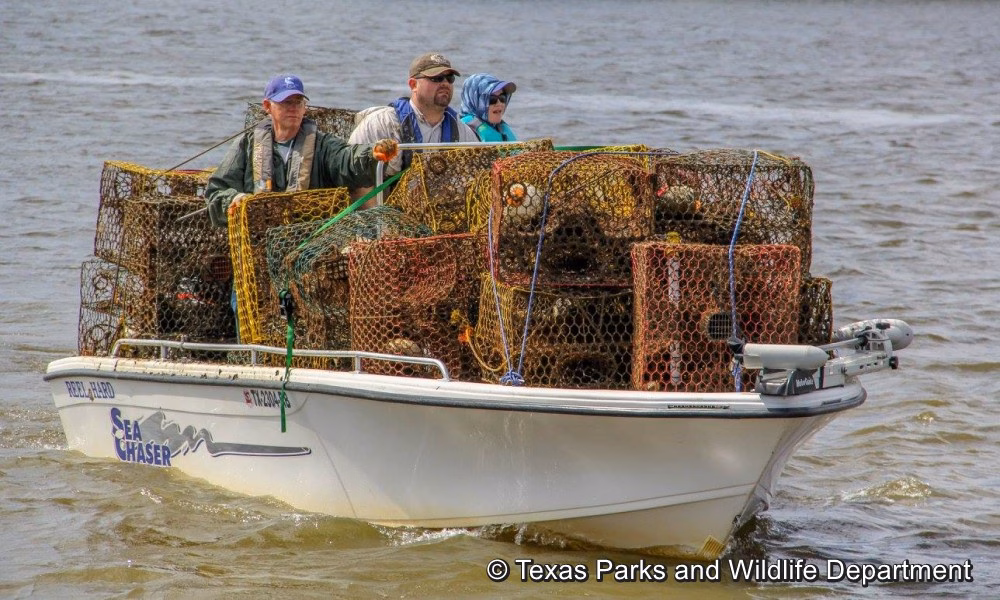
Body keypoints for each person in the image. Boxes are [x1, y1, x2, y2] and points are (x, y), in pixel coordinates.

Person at [205, 74, 398, 226]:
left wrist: (372, 154)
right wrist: (235, 199)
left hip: (308, 237)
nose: (293, 108)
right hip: (257, 238)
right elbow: (216, 190)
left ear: (305, 108)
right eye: (286, 102)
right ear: (267, 106)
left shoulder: (322, 145)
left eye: (298, 102)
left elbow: (346, 159)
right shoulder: (246, 145)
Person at [348, 52, 479, 182]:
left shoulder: (463, 133)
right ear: (413, 85)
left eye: (450, 78)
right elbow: (354, 177)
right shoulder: (382, 124)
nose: (445, 83)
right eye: (436, 78)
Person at [460, 73, 517, 142]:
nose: (499, 103)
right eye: (492, 99)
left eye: (502, 97)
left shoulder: (499, 128)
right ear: (474, 100)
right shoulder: (462, 130)